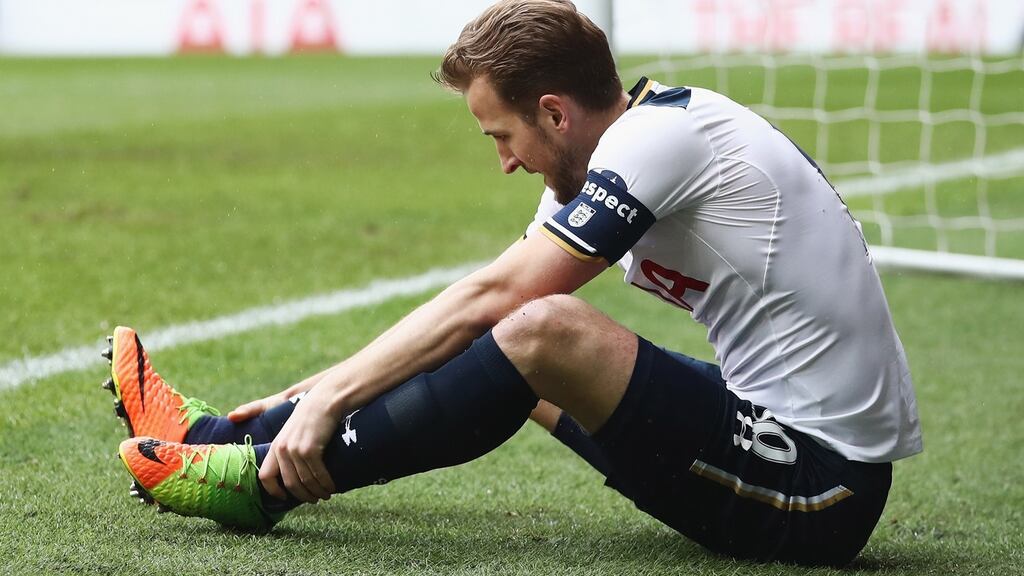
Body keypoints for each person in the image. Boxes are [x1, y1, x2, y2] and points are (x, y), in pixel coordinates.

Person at [106, 0, 922, 566]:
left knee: (541, 331)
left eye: (503, 134)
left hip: (824, 488)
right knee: (505, 348)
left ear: (555, 113)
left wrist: (327, 405)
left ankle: (259, 488)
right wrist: (307, 394)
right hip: (765, 433)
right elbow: (471, 318)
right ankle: (220, 443)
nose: (503, 161)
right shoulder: (607, 156)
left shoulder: (663, 142)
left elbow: (507, 304)